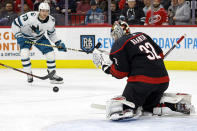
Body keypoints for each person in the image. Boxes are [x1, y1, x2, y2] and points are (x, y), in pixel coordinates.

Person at [92, 20, 194, 121]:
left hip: (141, 84)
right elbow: (160, 55)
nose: (114, 38)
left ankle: (127, 109)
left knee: (126, 105)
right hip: (163, 81)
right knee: (147, 106)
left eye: (114, 35)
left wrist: (104, 67)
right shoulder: (142, 35)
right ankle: (160, 105)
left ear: (117, 32)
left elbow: (120, 73)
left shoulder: (119, 44)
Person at [11, 2, 66, 84]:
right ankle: (29, 74)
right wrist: (18, 36)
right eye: (43, 11)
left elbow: (52, 34)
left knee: (50, 54)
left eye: (47, 11)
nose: (45, 13)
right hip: (25, 37)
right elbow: (15, 24)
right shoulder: (29, 16)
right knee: (24, 54)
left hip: (39, 37)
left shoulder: (51, 21)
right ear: (39, 10)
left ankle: (52, 75)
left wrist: (58, 42)